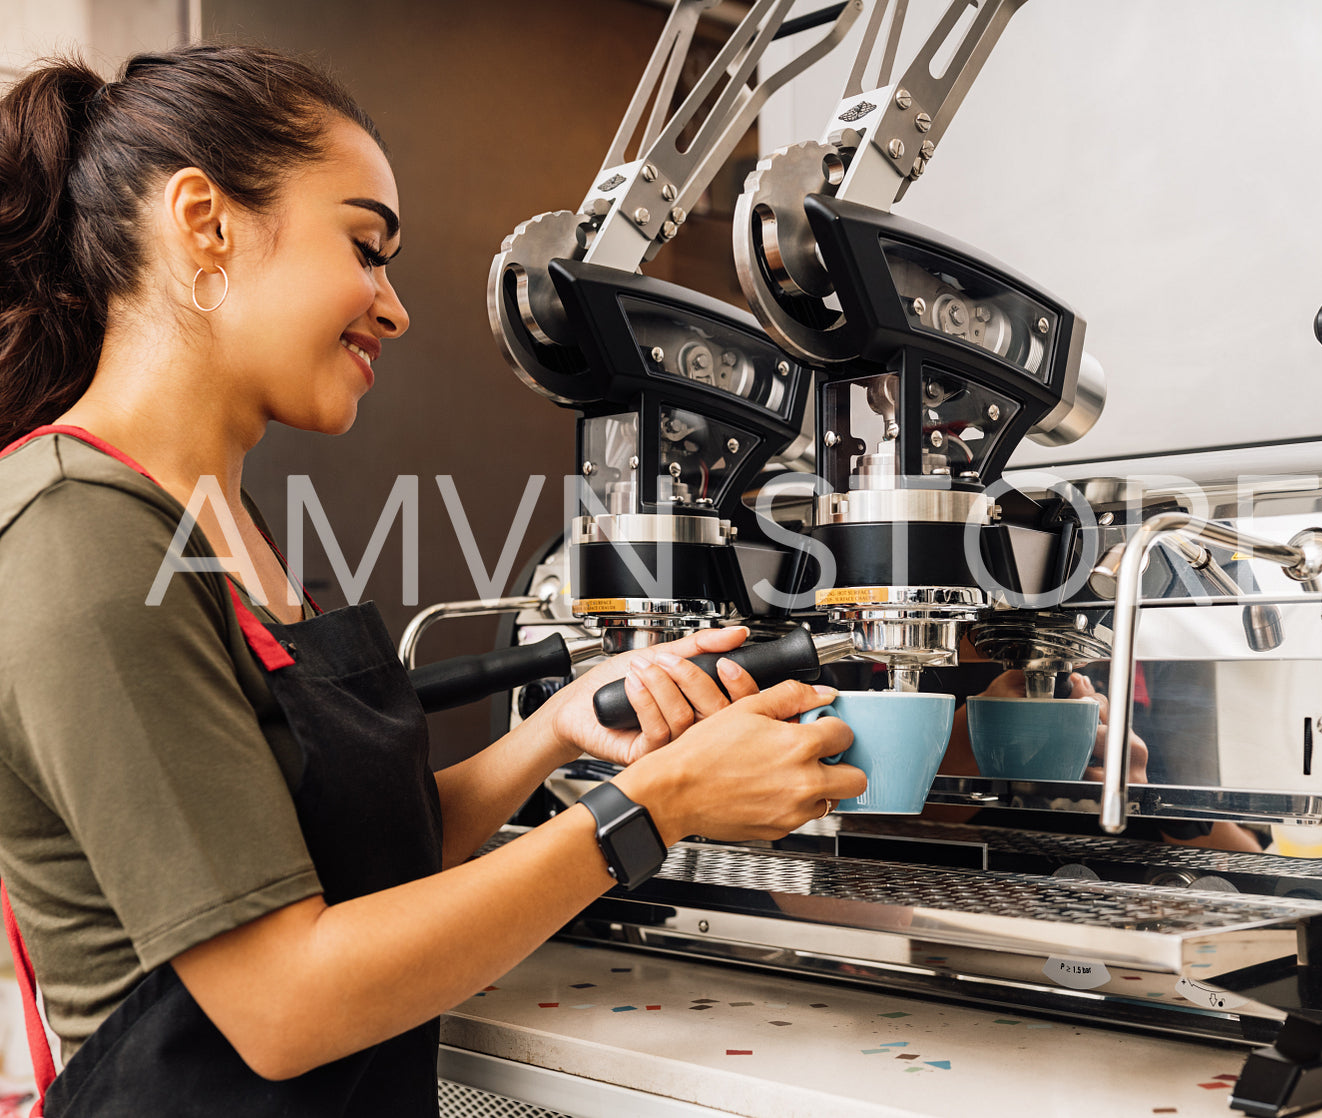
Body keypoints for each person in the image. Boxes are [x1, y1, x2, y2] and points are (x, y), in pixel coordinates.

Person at [0, 45, 865, 1116]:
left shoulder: (221, 522)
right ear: (203, 222)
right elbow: (282, 1004)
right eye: (366, 246)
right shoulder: (80, 536)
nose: (394, 308)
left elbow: (354, 852)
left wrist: (557, 734)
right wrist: (658, 802)